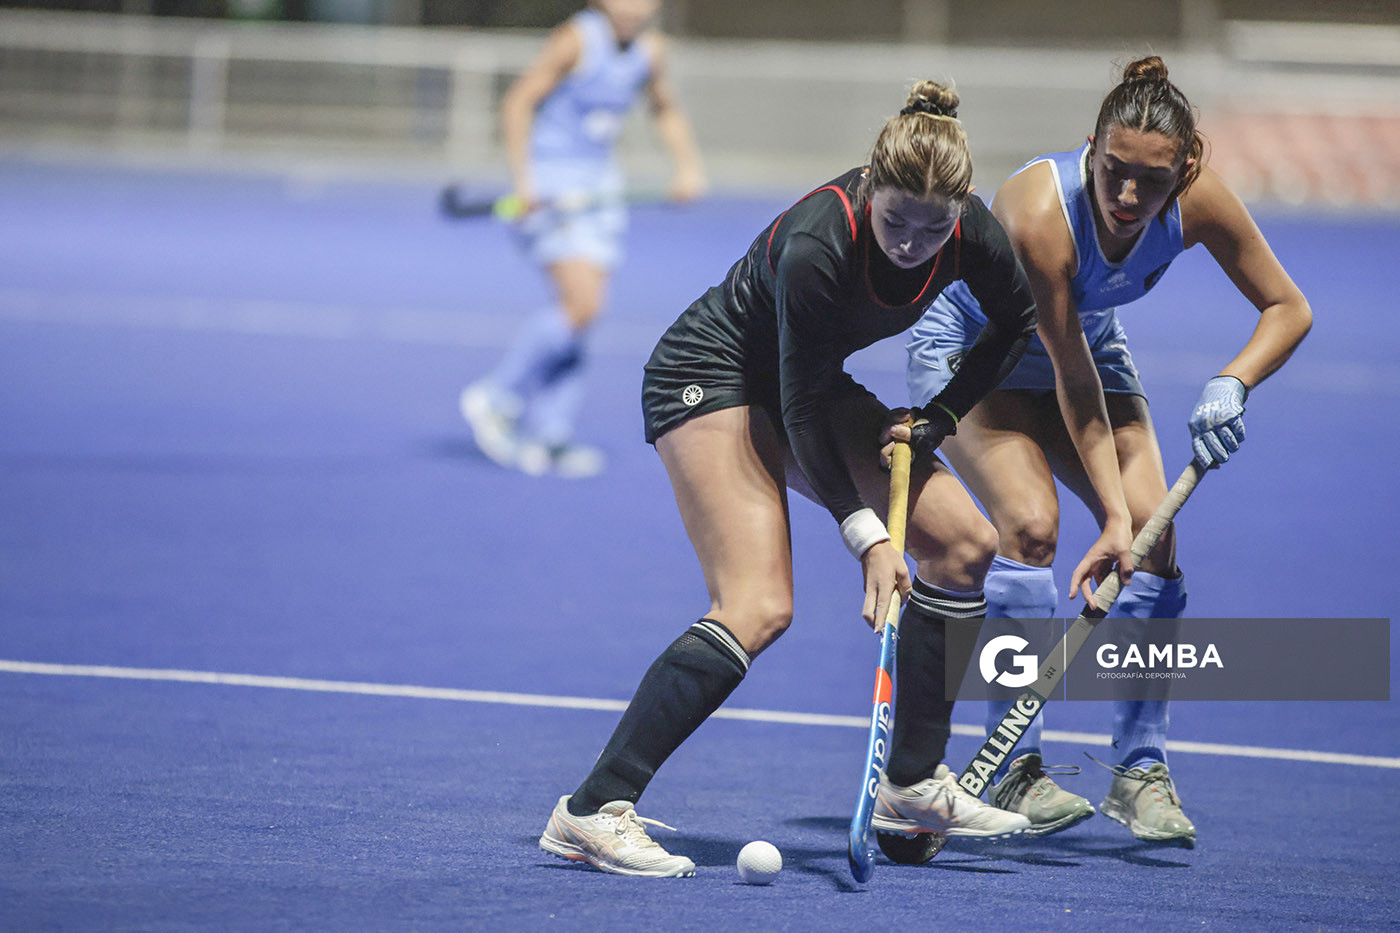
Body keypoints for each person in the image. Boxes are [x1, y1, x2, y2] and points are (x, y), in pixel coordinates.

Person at [538, 78, 1065, 878]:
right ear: (869, 183)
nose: (913, 243)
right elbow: (800, 406)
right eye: (897, 220)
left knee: (964, 544)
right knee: (759, 604)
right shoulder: (821, 241)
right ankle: (591, 809)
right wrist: (869, 537)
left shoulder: (967, 232)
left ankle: (914, 785)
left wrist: (941, 417)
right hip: (713, 375)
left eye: (935, 227)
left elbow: (1015, 323)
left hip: (805, 382)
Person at [906, 56, 1312, 847]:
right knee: (1029, 529)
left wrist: (1235, 380)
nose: (1127, 197)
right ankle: (1017, 766)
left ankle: (1139, 769)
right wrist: (1117, 518)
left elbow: (1288, 307)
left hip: (1088, 351)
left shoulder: (1200, 202)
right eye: (1113, 170)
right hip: (975, 353)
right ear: (1091, 146)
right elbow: (1072, 386)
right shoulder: (1037, 215)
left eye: (1151, 181)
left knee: (1155, 552)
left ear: (1188, 166)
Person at [460, 0, 705, 477]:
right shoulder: (576, 39)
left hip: (599, 191)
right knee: (582, 304)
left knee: (583, 316)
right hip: (552, 188)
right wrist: (525, 182)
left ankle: (551, 434)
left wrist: (687, 167)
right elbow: (518, 102)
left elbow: (664, 109)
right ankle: (496, 396)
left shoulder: (650, 51)